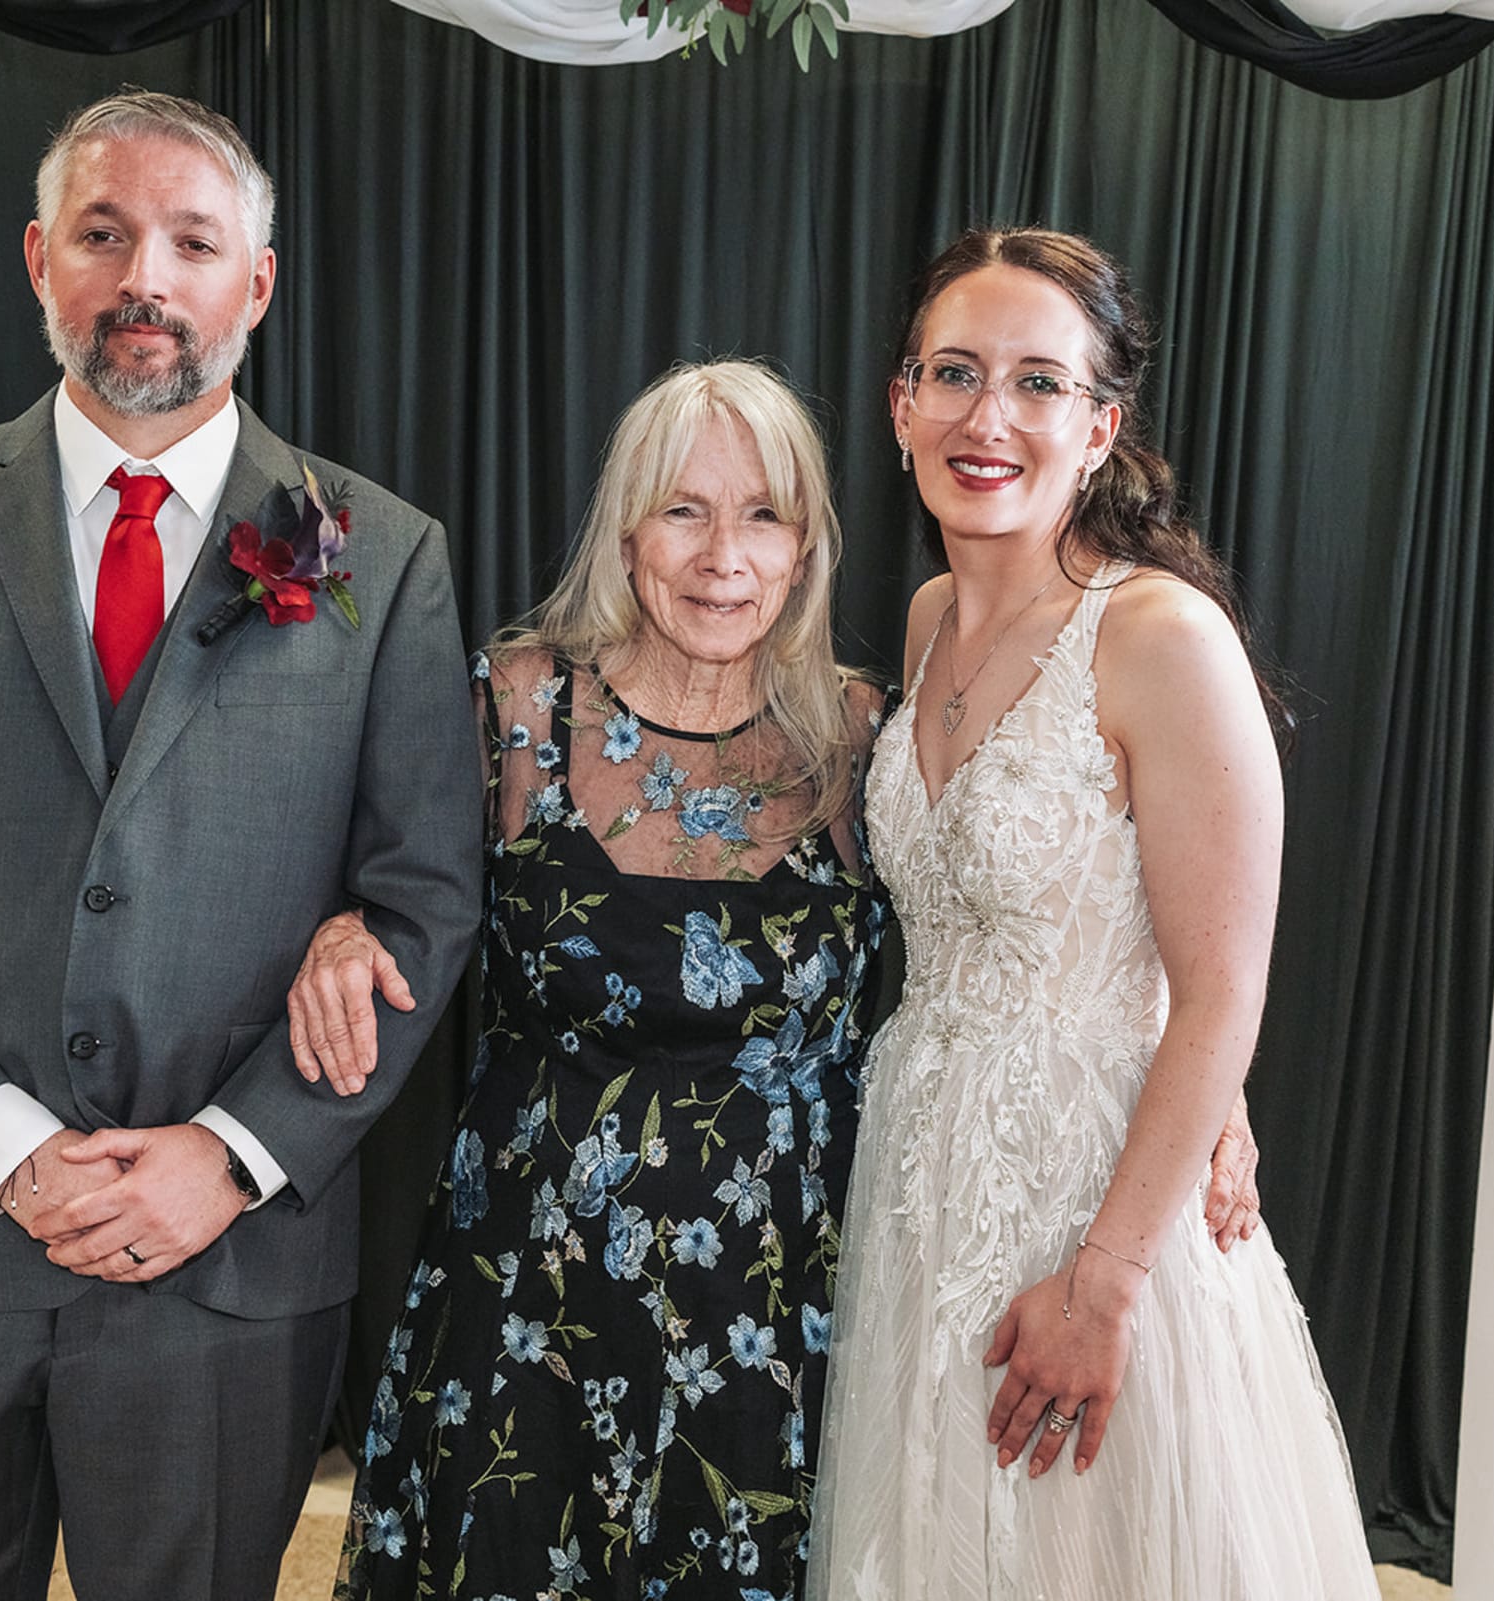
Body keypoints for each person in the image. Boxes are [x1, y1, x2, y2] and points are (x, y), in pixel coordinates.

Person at [294, 362, 1269, 1600]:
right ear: (626, 527)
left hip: (772, 1314)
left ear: (808, 543)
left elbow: (1025, 919)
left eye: (764, 513)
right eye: (682, 510)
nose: (722, 555)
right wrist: (342, 925)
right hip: (522, 1291)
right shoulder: (517, 709)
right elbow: (393, 881)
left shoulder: (868, 733)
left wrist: (1206, 1078)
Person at [0, 91, 481, 1600]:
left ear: (256, 283)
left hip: (226, 1272)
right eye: (103, 233)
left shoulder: (382, 554)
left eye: (193, 240)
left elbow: (424, 900)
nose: (145, 277)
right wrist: (6, 1156)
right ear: (38, 260)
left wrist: (229, 1157)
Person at [808, 227, 1375, 1599]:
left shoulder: (1162, 638)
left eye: (1038, 382)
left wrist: (1107, 1282)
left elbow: (1224, 988)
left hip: (1098, 1202)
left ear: (1101, 425)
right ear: (900, 404)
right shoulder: (932, 613)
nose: (986, 416)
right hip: (925, 1177)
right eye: (952, 372)